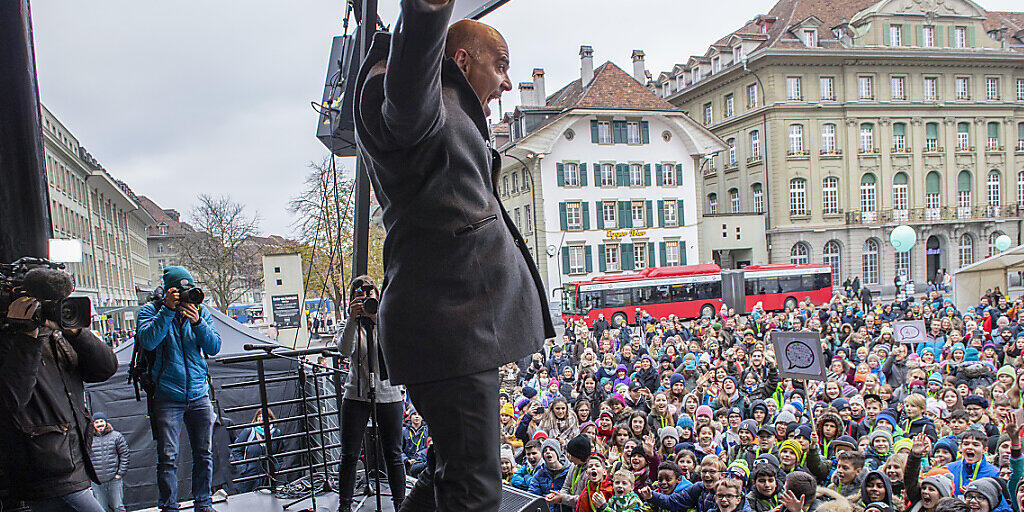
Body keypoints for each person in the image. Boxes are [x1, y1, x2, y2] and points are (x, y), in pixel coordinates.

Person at [352, 0, 554, 509]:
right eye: (501, 64)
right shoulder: (412, 103)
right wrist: (426, 13)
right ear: (461, 61)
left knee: (451, 466)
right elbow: (408, 79)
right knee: (473, 485)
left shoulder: (449, 110)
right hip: (452, 323)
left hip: (454, 323)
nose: (508, 83)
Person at [0, 267, 118, 512]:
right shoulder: (14, 341)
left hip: (76, 464)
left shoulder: (60, 335)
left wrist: (75, 331)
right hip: (44, 474)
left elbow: (105, 368)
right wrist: (26, 336)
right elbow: (11, 399)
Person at [136, 266, 222, 512]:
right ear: (167, 291)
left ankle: (203, 503)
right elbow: (149, 340)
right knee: (168, 457)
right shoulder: (150, 311)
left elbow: (214, 346)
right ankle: (169, 507)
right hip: (167, 396)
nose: (185, 296)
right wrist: (167, 311)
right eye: (179, 291)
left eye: (189, 290)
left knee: (204, 453)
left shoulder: (201, 312)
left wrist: (197, 323)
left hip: (198, 393)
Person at [336, 276, 406, 511]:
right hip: (356, 394)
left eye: (369, 293)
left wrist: (378, 320)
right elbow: (345, 350)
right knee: (349, 455)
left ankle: (400, 505)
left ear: (378, 295)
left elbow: (398, 348)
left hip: (389, 393)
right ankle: (344, 506)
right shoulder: (350, 322)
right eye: (360, 294)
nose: (365, 298)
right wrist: (352, 319)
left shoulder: (389, 319)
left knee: (394, 455)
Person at [229, 409, 282, 493]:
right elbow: (236, 451)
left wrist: (276, 468)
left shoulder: (276, 434)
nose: (261, 419)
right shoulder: (248, 432)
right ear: (256, 418)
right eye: (259, 416)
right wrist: (243, 468)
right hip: (249, 477)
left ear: (271, 419)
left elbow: (280, 453)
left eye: (265, 417)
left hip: (268, 476)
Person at [89, 413, 129, 512]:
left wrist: (119, 474)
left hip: (114, 480)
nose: (99, 424)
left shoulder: (116, 436)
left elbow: (124, 454)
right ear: (93, 424)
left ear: (106, 422)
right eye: (96, 422)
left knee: (118, 508)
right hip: (97, 482)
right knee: (101, 509)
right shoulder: (88, 439)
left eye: (101, 421)